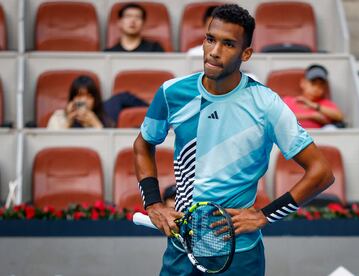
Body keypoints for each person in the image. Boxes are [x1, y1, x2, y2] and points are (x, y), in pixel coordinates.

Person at [134, 4, 334, 275]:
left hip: (239, 255)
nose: (214, 51)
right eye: (210, 39)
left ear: (246, 53)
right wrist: (154, 204)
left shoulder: (266, 104)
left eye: (228, 44)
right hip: (182, 249)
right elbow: (143, 144)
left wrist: (265, 214)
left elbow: (321, 172)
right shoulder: (171, 93)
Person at [282, 65, 344, 129]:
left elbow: (339, 117)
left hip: (318, 137)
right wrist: (311, 116)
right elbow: (278, 118)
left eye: (321, 85)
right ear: (303, 83)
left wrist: (313, 105)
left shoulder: (325, 103)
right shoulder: (287, 100)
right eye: (313, 84)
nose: (316, 89)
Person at [47, 75, 114, 129]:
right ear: (72, 99)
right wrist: (68, 122)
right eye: (79, 96)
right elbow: (53, 143)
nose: (84, 100)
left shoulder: (104, 119)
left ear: (95, 100)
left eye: (89, 96)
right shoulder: (58, 116)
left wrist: (95, 123)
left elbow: (106, 143)